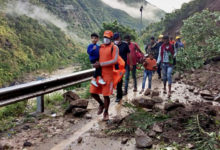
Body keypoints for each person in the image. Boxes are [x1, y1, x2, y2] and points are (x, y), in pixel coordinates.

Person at [90, 30, 119, 121]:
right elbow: (94, 56)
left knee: (106, 95)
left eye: (107, 37)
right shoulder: (101, 46)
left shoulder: (114, 48)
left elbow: (114, 60)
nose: (105, 39)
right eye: (104, 37)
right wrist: (94, 63)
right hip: (99, 73)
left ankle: (106, 112)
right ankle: (101, 104)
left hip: (108, 74)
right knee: (92, 92)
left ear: (111, 38)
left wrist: (101, 64)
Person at [113, 32, 132, 102]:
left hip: (123, 66)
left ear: (120, 38)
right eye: (115, 39)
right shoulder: (113, 45)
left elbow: (129, 54)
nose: (116, 40)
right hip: (115, 66)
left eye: (117, 38)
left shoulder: (125, 45)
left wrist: (130, 64)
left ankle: (118, 96)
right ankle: (119, 95)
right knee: (117, 80)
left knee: (119, 80)